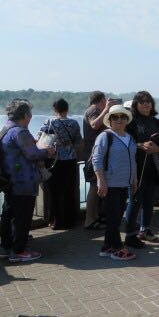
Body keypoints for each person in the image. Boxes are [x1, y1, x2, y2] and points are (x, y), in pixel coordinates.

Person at [1, 99, 55, 263]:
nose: (31, 117)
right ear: (25, 115)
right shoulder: (20, 132)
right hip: (23, 181)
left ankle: (5, 247)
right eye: (29, 114)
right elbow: (32, 154)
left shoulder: (5, 129)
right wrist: (48, 151)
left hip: (9, 180)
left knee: (8, 214)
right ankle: (19, 251)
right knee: (22, 217)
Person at [93, 104, 137, 261]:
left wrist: (134, 180)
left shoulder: (129, 137)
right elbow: (97, 159)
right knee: (113, 218)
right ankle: (118, 248)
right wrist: (101, 181)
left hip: (124, 183)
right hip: (110, 183)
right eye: (115, 117)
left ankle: (107, 247)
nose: (119, 120)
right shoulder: (105, 136)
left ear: (127, 120)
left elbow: (133, 160)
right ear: (110, 120)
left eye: (123, 117)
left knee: (116, 217)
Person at [124, 91, 159, 246]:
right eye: (142, 102)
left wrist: (158, 149)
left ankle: (145, 229)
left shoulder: (156, 122)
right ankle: (130, 234)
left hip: (153, 167)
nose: (146, 104)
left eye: (148, 101)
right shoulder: (130, 122)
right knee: (134, 201)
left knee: (149, 201)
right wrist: (141, 145)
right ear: (136, 104)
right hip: (136, 168)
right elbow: (125, 142)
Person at [38, 98, 82, 230]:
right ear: (67, 109)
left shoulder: (49, 122)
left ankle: (55, 221)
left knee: (55, 192)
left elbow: (40, 138)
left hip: (54, 160)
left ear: (54, 109)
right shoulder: (74, 123)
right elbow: (78, 140)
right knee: (69, 190)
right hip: (70, 159)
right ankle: (70, 220)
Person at [83, 91, 120, 230]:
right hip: (93, 157)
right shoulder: (93, 110)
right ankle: (89, 220)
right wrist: (106, 109)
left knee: (98, 186)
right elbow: (94, 125)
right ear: (102, 100)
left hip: (99, 155)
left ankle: (96, 217)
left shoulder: (98, 110)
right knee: (94, 187)